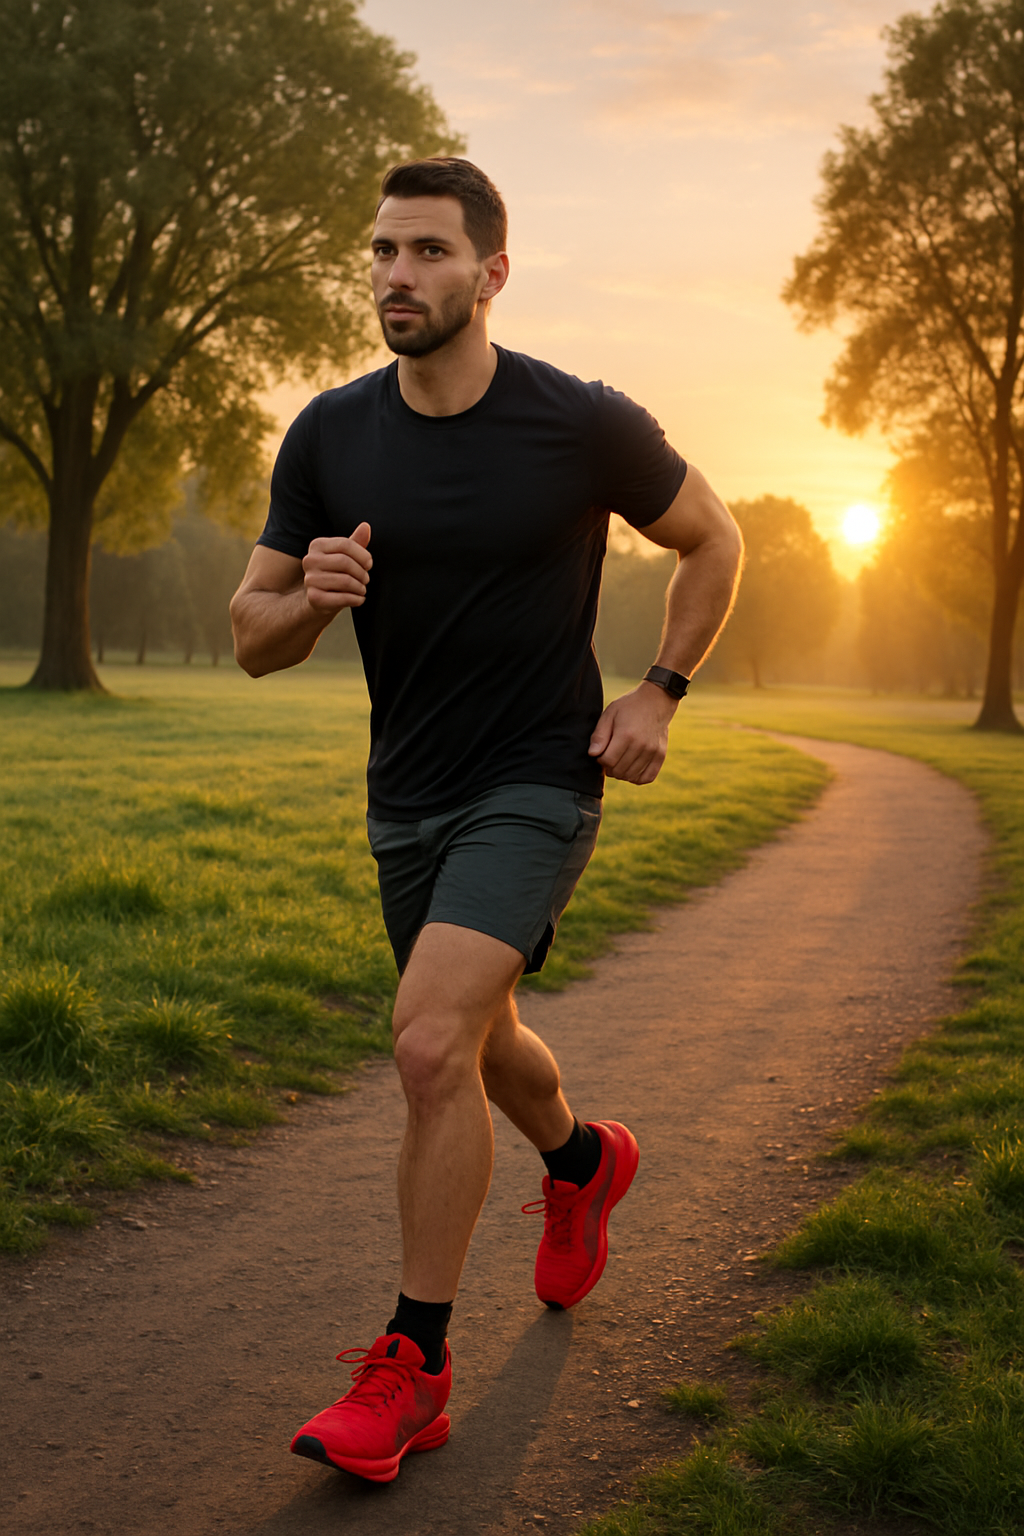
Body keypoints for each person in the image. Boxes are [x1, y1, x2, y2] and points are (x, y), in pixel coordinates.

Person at [230, 157, 742, 1485]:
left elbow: (714, 538)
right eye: (383, 250)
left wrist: (661, 690)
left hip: (538, 775)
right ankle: (581, 1161)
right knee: (479, 1036)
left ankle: (414, 1368)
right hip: (407, 792)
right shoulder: (329, 434)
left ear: (492, 273)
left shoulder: (580, 422)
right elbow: (250, 635)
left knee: (426, 1042)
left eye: (429, 252)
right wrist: (310, 599)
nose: (397, 275)